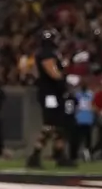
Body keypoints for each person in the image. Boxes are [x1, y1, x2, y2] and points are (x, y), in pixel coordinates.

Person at [26, 28, 71, 168]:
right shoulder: (46, 53)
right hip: (50, 94)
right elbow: (52, 71)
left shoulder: (44, 53)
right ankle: (35, 155)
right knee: (50, 125)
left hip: (53, 93)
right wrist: (63, 80)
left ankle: (60, 155)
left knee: (60, 126)